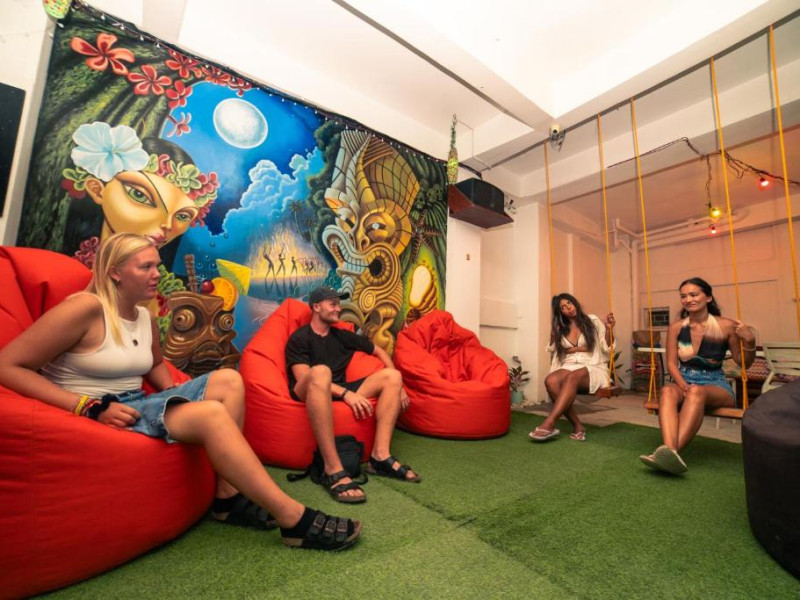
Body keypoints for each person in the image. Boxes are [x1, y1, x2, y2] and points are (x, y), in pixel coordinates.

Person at [0, 233, 359, 551]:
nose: (157, 274)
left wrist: (177, 389)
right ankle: (292, 518)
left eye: (156, 265)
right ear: (115, 272)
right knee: (212, 415)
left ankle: (226, 496)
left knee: (229, 379)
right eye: (145, 267)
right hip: (97, 413)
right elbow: (8, 366)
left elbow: (155, 364)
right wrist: (86, 406)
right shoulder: (84, 308)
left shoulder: (143, 315)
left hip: (138, 403)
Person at [286, 286, 420, 503]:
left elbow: (379, 351)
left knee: (393, 377)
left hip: (339, 388)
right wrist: (347, 394)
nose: (338, 309)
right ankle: (332, 468)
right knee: (321, 372)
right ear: (316, 307)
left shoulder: (342, 335)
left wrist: (400, 387)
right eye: (332, 304)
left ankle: (380, 456)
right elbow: (303, 378)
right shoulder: (300, 338)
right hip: (308, 390)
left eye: (338, 304)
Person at [639, 277, 755, 474]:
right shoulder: (676, 327)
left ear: (708, 297)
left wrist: (750, 340)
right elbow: (671, 364)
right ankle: (670, 452)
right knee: (667, 390)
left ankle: (669, 453)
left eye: (694, 294)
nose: (688, 299)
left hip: (715, 384)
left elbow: (744, 363)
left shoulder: (726, 326)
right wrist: (683, 385)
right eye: (683, 296)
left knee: (696, 392)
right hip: (683, 379)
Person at [530, 293, 615, 443]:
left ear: (574, 302)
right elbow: (552, 349)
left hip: (592, 366)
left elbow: (606, 347)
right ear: (560, 312)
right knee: (550, 381)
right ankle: (578, 425)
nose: (568, 308)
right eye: (563, 307)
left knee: (572, 377)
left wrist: (609, 329)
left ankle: (549, 423)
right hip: (569, 365)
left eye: (569, 303)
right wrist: (554, 333)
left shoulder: (592, 321)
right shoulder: (561, 328)